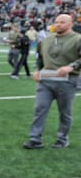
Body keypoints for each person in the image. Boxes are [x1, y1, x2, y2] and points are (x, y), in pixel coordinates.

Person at [23, 13, 81, 149]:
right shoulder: (46, 40)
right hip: (46, 80)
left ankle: (62, 139)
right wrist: (37, 69)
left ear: (70, 23)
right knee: (39, 109)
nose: (58, 24)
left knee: (65, 112)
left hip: (67, 80)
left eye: (62, 22)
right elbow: (40, 58)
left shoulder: (77, 39)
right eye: (56, 22)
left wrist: (71, 66)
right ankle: (35, 139)